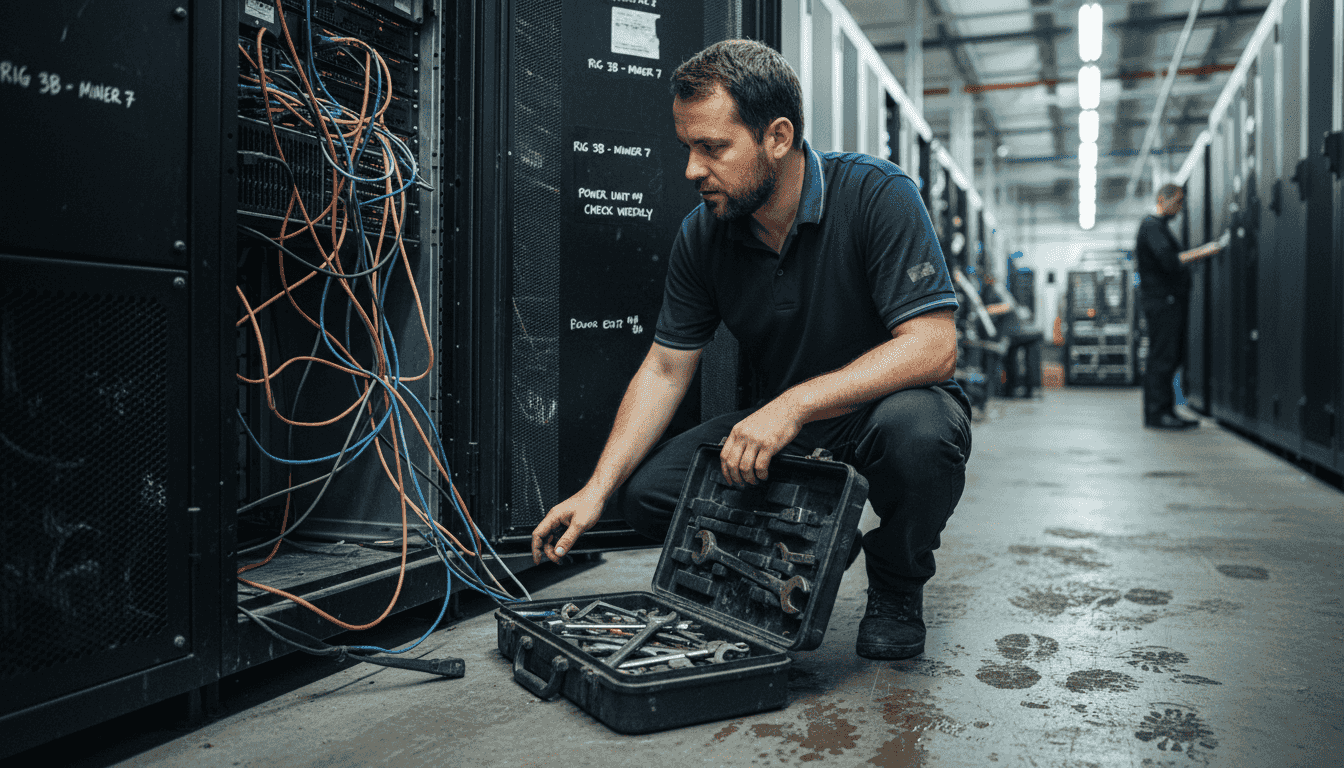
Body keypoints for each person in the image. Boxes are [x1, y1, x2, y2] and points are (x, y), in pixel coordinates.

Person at [530, 40, 971, 661]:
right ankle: (815, 541)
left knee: (922, 436)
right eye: (688, 146)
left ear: (778, 137)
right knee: (649, 493)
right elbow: (663, 368)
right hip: (788, 428)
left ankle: (896, 585)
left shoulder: (877, 195)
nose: (692, 169)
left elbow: (933, 345)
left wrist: (794, 403)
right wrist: (595, 490)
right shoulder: (703, 234)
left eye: (713, 148)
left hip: (878, 412)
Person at [1134, 183, 1226, 429]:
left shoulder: (1158, 227)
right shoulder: (1152, 226)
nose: (1180, 208)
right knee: (1162, 357)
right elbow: (1170, 262)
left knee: (1169, 356)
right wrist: (1208, 250)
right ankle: (1157, 413)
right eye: (1178, 202)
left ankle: (1166, 410)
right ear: (1163, 200)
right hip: (1162, 302)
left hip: (1167, 301)